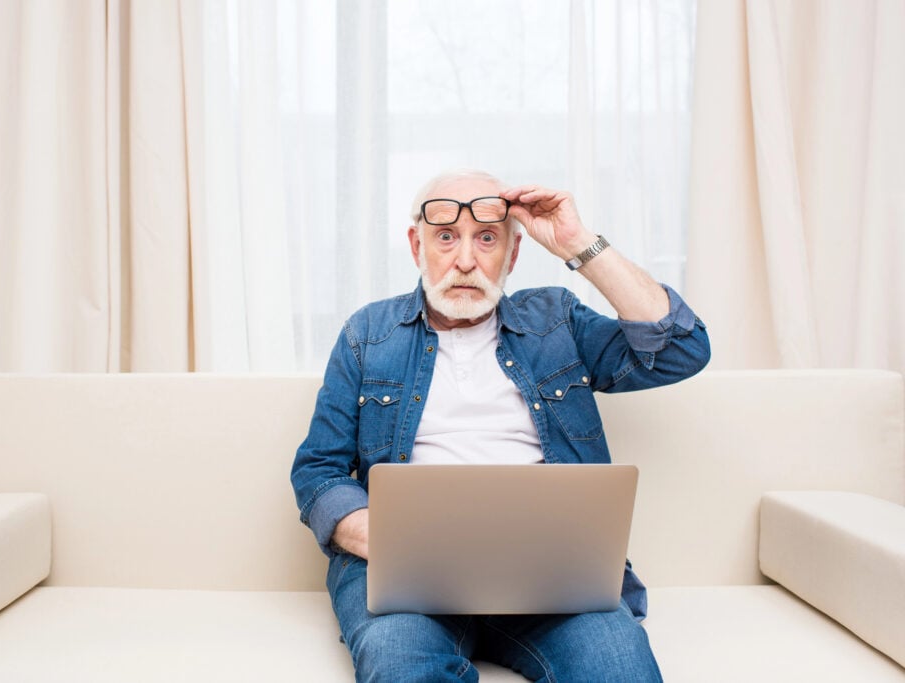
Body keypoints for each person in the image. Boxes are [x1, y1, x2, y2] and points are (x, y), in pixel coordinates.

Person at [291, 169, 710, 682]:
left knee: (619, 666)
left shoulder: (556, 321)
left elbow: (680, 350)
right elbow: (318, 470)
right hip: (407, 577)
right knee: (399, 665)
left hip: (552, 575)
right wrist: (394, 541)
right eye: (445, 236)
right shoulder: (368, 333)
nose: (465, 260)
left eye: (486, 238)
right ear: (416, 245)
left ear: (512, 254)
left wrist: (578, 243)